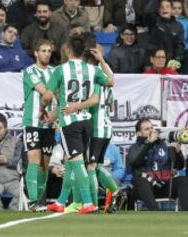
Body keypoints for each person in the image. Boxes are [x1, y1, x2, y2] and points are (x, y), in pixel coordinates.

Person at [42, 34, 113, 214]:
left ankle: (88, 202)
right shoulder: (93, 70)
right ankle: (60, 201)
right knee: (72, 162)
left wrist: (42, 108)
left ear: (67, 50)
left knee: (77, 162)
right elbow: (110, 81)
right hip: (87, 121)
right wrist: (102, 61)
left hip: (69, 122)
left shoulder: (60, 70)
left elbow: (47, 96)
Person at [22, 39, 55, 211]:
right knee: (34, 160)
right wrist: (57, 90)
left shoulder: (54, 71)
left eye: (49, 51)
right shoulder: (30, 71)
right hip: (32, 121)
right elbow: (44, 90)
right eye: (43, 50)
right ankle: (33, 201)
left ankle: (40, 201)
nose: (46, 54)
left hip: (49, 125)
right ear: (36, 53)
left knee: (45, 165)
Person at [127, 118, 188, 211]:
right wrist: (148, 144)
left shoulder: (164, 145)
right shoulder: (135, 147)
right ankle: (156, 213)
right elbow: (135, 162)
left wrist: (177, 152)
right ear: (138, 133)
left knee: (183, 180)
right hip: (144, 188)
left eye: (152, 127)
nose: (151, 130)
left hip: (164, 186)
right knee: (141, 181)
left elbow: (179, 166)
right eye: (146, 129)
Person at [21, 0, 67, 66]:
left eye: (45, 12)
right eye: (39, 12)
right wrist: (38, 50)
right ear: (36, 14)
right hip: (33, 66)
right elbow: (23, 51)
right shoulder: (28, 30)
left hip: (56, 67)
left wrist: (55, 49)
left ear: (50, 13)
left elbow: (65, 52)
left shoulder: (60, 30)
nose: (42, 14)